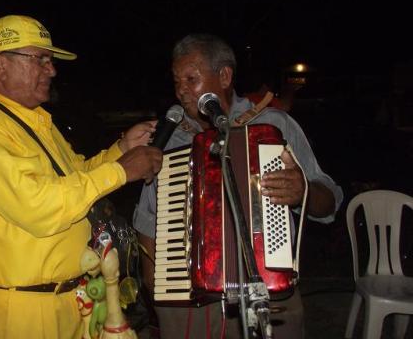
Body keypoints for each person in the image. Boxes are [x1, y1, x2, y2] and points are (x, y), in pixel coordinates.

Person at [0, 15, 163, 338]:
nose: (52, 70)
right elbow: (37, 206)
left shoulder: (37, 121)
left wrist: (122, 148)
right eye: (40, 59)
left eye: (50, 60)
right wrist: (123, 171)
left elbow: (75, 176)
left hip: (72, 300)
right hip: (21, 309)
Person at [132, 34, 343, 338]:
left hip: (267, 294)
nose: (181, 92)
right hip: (187, 300)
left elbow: (331, 201)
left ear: (225, 76)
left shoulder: (273, 126)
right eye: (177, 82)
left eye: (191, 79)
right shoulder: (171, 140)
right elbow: (147, 218)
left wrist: (303, 192)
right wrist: (157, 284)